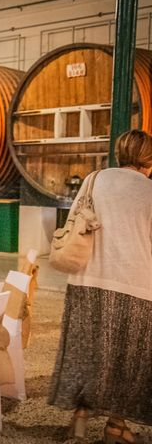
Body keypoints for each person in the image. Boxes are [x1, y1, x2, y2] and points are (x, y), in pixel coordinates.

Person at [48, 129, 152, 444]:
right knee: (126, 359)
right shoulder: (148, 190)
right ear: (147, 159)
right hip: (137, 284)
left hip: (87, 280)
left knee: (87, 353)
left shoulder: (95, 179)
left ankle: (81, 421)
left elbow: (75, 220)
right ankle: (114, 427)